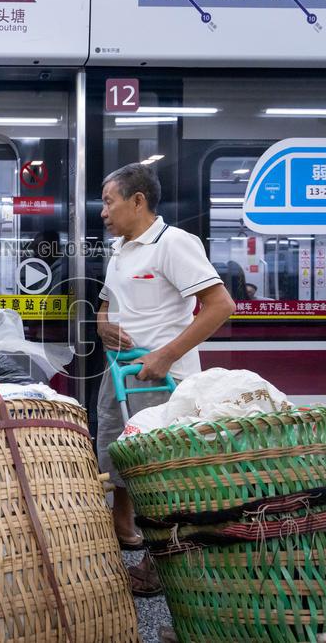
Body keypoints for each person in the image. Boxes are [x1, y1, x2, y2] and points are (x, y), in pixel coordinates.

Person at [95, 163, 236, 596]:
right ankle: (123, 526)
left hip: (160, 378)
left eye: (108, 202)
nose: (103, 212)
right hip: (119, 373)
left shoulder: (174, 243)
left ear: (138, 201)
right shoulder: (120, 248)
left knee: (159, 470)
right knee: (117, 453)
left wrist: (165, 355)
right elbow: (104, 306)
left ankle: (161, 561)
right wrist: (102, 324)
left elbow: (219, 305)